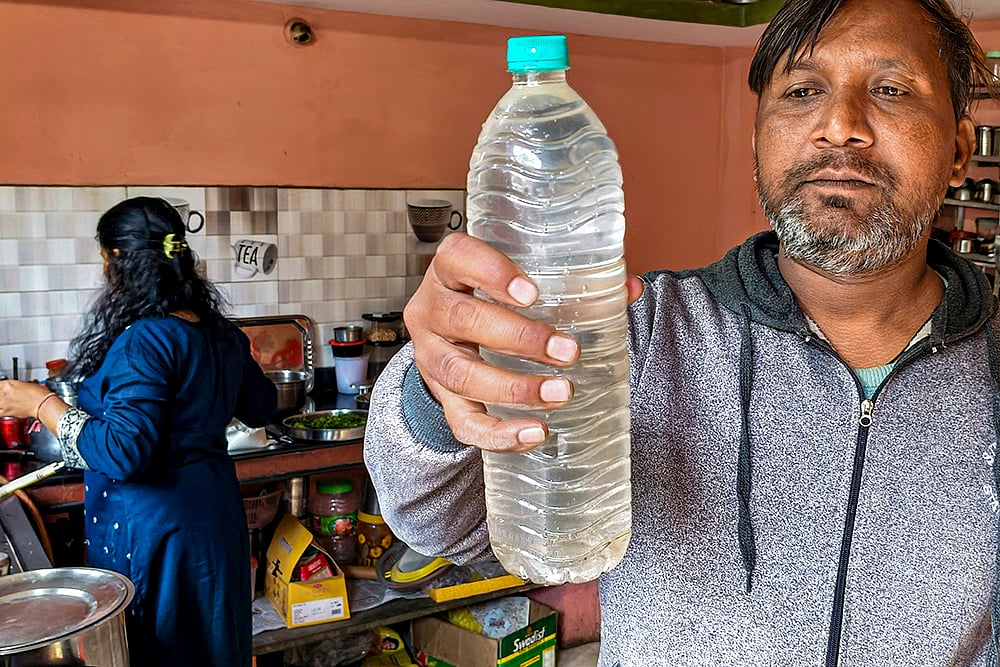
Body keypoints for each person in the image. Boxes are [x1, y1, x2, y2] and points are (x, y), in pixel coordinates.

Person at [363, 0, 1000, 663]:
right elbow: (445, 521)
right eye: (802, 91)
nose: (839, 125)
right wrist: (439, 389)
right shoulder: (636, 335)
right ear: (758, 135)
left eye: (891, 89)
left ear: (959, 150)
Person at [0, 197, 277, 666]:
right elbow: (262, 406)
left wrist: (40, 403)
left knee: (164, 650)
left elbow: (123, 452)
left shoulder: (147, 339)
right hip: (213, 521)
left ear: (116, 259)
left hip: (158, 532)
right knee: (214, 647)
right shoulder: (216, 330)